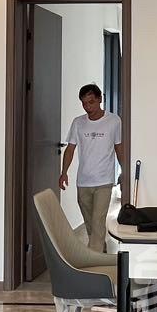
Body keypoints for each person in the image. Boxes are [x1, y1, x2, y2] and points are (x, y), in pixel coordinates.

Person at [60, 83, 125, 252]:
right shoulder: (78, 123)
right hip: (83, 181)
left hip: (104, 180)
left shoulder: (114, 121)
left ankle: (93, 258)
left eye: (91, 102)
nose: (88, 107)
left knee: (98, 220)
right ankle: (100, 248)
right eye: (84, 103)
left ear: (100, 99)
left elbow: (119, 148)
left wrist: (125, 172)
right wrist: (64, 172)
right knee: (90, 223)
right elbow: (70, 149)